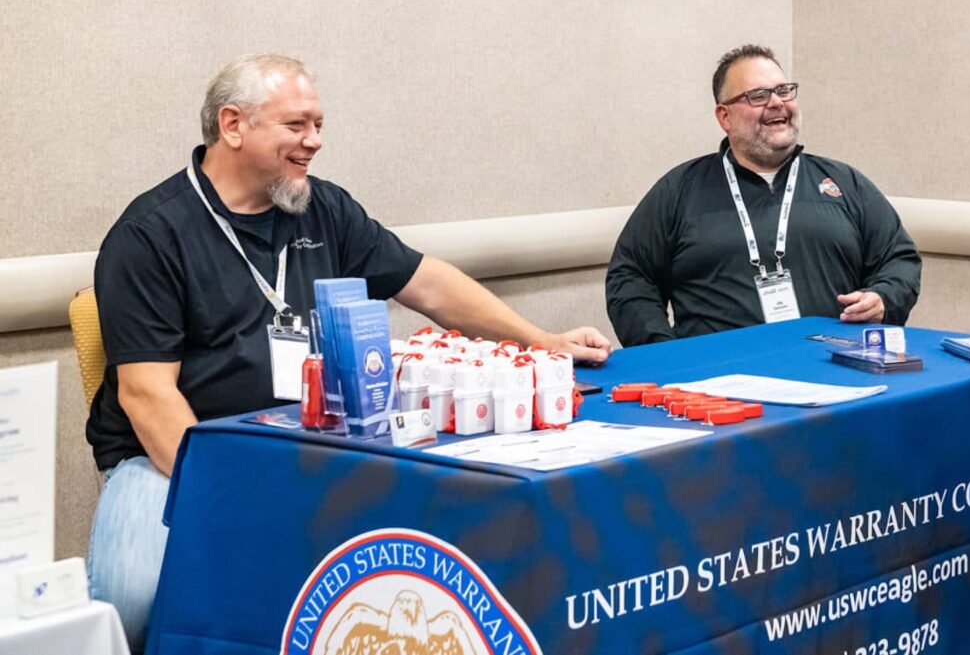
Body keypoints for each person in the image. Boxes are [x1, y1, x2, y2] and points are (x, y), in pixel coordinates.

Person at [85, 53, 612, 652]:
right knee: (137, 593)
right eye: (297, 126)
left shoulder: (321, 207)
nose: (314, 142)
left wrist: (539, 340)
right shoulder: (150, 234)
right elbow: (147, 394)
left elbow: (428, 283)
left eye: (319, 126)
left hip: (312, 436)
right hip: (185, 451)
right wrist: (227, 492)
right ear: (232, 125)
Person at [605, 45, 921, 346]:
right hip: (719, 386)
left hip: (834, 370)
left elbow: (898, 259)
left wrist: (883, 298)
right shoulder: (679, 191)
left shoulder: (844, 183)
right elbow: (631, 276)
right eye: (758, 95)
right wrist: (664, 352)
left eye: (784, 91)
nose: (776, 103)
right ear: (724, 116)